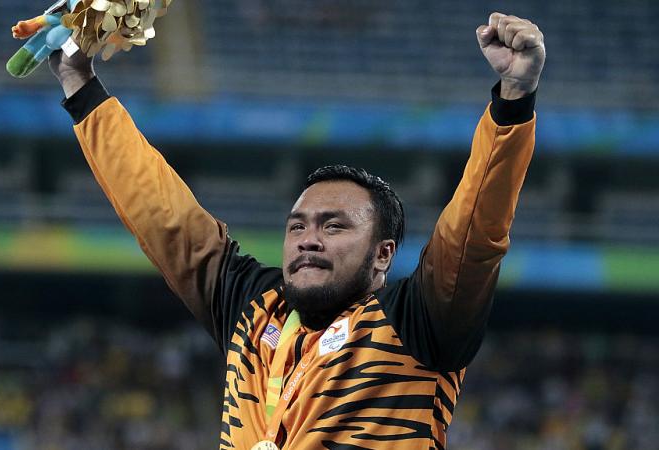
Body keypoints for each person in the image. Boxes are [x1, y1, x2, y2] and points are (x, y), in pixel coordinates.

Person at [49, 12, 545, 450]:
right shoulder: (254, 308)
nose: (309, 238)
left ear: (382, 254)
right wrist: (80, 85)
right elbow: (164, 216)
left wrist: (513, 102)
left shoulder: (419, 325)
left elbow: (471, 236)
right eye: (297, 226)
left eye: (335, 226)